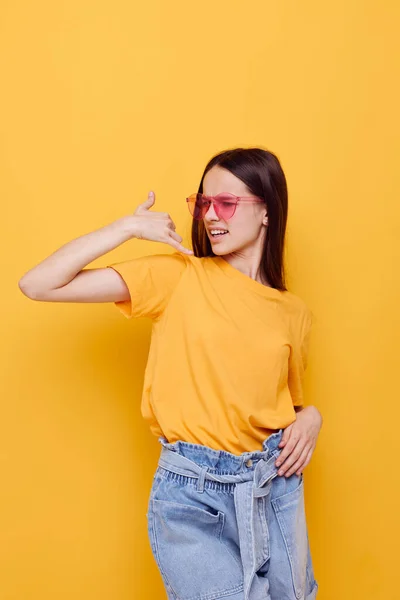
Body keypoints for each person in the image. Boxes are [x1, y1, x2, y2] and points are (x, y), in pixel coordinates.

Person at [19, 147, 322, 599]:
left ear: (266, 211)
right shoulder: (178, 277)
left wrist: (311, 415)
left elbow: (282, 404)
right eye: (203, 203)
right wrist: (126, 228)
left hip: (272, 486)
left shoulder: (293, 313)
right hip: (193, 494)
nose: (210, 216)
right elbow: (37, 284)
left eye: (226, 203)